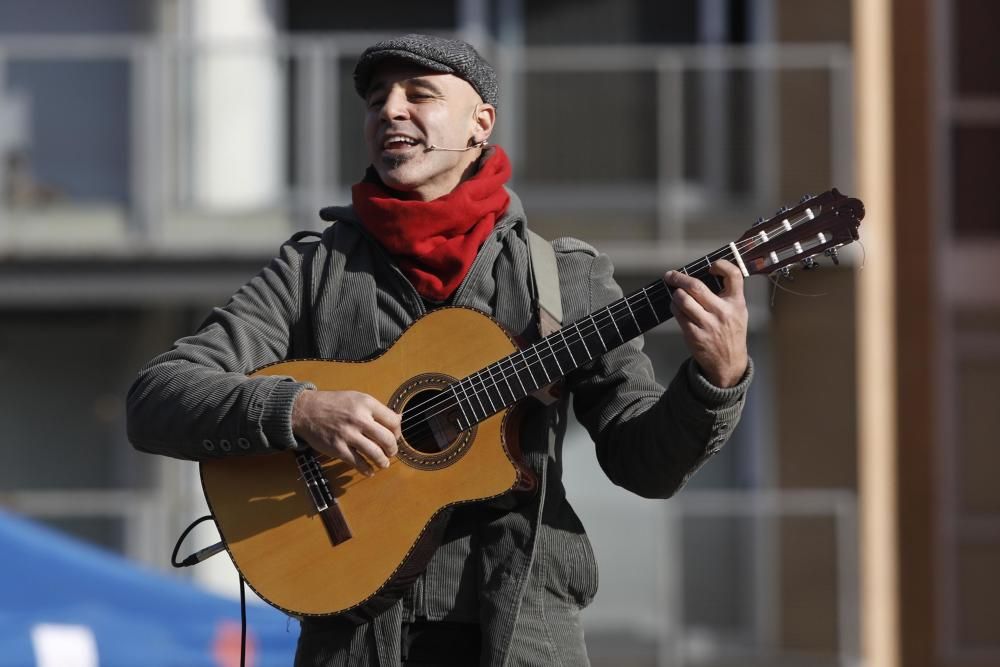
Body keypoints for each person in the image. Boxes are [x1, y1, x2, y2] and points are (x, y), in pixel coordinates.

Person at [126, 33, 753, 667]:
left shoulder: (563, 276)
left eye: (418, 94)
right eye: (377, 100)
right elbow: (157, 397)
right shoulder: (312, 270)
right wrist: (301, 411)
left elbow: (644, 465)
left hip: (524, 641)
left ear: (481, 123)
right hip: (353, 642)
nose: (390, 111)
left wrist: (716, 378)